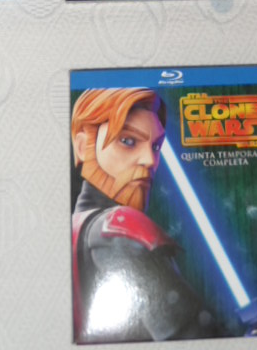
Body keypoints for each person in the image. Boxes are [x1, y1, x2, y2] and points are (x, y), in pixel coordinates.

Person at [71, 88, 218, 343]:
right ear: (84, 146)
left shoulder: (74, 226)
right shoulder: (119, 227)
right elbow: (192, 339)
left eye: (156, 146)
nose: (150, 160)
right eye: (128, 141)